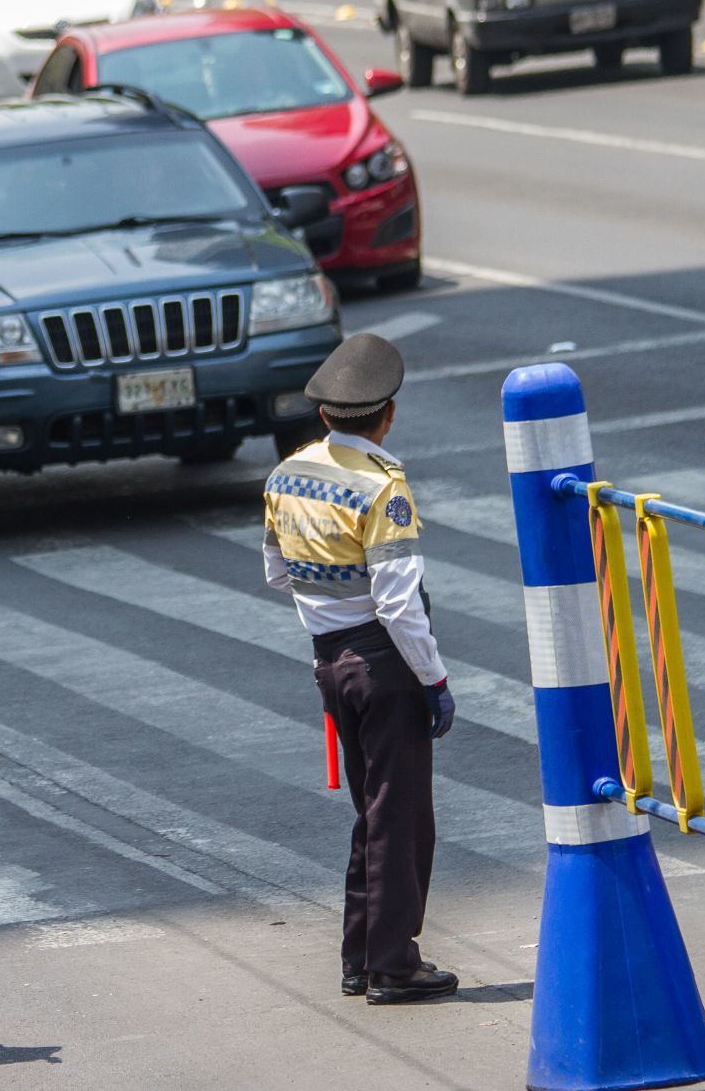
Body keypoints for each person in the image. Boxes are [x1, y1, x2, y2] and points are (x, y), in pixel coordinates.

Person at [262, 334, 457, 1005]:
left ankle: (360, 957)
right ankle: (393, 968)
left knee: (372, 811)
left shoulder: (284, 476)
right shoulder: (382, 489)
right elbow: (399, 604)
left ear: (322, 415)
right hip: (384, 666)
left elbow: (276, 571)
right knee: (400, 817)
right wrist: (432, 681)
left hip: (330, 665)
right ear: (388, 414)